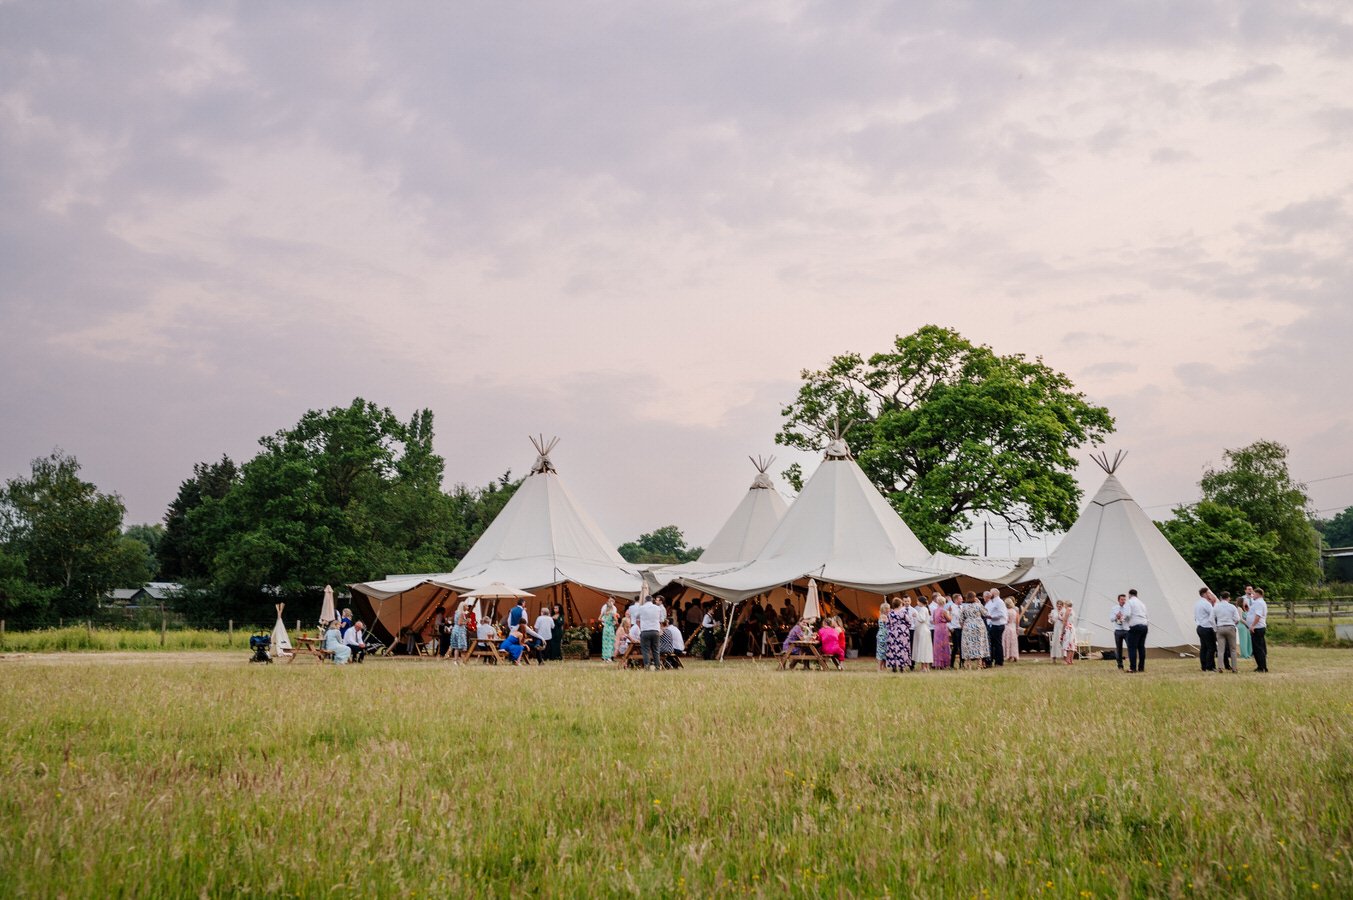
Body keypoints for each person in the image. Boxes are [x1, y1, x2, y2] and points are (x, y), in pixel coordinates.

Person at [1211, 591, 1241, 673]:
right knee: (1233, 649)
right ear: (1229, 598)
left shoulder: (1216, 607)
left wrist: (1215, 628)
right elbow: (1237, 619)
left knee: (1220, 649)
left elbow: (1211, 619)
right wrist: (1234, 623)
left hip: (1220, 627)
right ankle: (1234, 668)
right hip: (1230, 627)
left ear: (1220, 598)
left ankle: (1220, 667)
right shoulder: (1232, 607)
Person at [635, 595, 666, 671]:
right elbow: (662, 619)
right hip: (655, 630)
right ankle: (657, 667)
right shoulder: (658, 608)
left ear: (645, 600)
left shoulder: (641, 608)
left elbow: (637, 617)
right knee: (656, 650)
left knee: (645, 650)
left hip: (645, 630)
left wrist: (640, 627)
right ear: (652, 600)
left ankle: (647, 667)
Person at [958, 592, 988, 668]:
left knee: (968, 644)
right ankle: (979, 664)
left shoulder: (963, 607)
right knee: (979, 644)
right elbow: (985, 613)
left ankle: (969, 664)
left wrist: (963, 627)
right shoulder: (978, 605)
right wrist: (980, 603)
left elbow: (960, 619)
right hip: (979, 626)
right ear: (974, 597)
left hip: (968, 626)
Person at [1123, 589, 1149, 673]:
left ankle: (1133, 668)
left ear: (1129, 595)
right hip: (1144, 626)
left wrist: (1123, 620)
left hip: (1135, 626)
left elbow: (1127, 614)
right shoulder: (1142, 603)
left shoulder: (1130, 602)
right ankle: (1141, 667)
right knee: (1141, 647)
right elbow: (1146, 615)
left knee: (1132, 647)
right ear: (1136, 595)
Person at [884, 598, 912, 673]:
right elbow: (909, 622)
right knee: (902, 649)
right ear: (900, 604)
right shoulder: (903, 613)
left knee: (893, 648)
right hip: (902, 633)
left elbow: (886, 624)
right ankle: (902, 667)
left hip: (892, 633)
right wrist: (904, 627)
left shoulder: (890, 614)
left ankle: (893, 666)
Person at [1194, 588, 1217, 672]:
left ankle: (1203, 666)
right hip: (1207, 627)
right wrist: (1213, 603)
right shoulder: (1206, 604)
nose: (1210, 595)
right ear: (1205, 594)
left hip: (1199, 626)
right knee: (1211, 647)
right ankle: (1210, 666)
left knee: (1203, 647)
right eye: (1208, 593)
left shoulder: (1197, 603)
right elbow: (1213, 615)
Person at [984, 590, 1007, 667]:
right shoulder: (993, 602)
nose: (990, 594)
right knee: (993, 644)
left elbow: (1002, 614)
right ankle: (991, 661)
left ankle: (999, 662)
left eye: (990, 592)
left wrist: (991, 616)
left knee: (997, 644)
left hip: (998, 625)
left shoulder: (999, 602)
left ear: (994, 593)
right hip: (992, 624)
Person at [1248, 588, 1269, 672]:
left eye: (1254, 594)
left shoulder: (1259, 603)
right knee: (1258, 648)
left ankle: (1262, 667)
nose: (1253, 595)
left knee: (1258, 648)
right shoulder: (1258, 602)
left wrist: (1252, 625)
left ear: (1258, 594)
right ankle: (1260, 666)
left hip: (1257, 628)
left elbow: (1258, 615)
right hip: (1257, 627)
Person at [912, 598, 933, 672]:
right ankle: (925, 667)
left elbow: (922, 619)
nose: (917, 602)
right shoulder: (925, 609)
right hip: (924, 630)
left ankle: (924, 667)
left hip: (922, 631)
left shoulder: (923, 609)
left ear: (921, 602)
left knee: (923, 649)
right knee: (925, 649)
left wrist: (916, 615)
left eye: (918, 601)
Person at [932, 592, 952, 670]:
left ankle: (937, 663)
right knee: (944, 645)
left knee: (937, 646)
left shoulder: (935, 610)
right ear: (944, 602)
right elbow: (949, 619)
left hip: (937, 628)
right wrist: (950, 612)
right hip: (943, 628)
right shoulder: (944, 611)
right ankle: (944, 663)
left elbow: (933, 621)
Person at [1110, 594, 1130, 670]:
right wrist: (1116, 617)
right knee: (1119, 649)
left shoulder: (1128, 608)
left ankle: (1132, 664)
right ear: (1118, 600)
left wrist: (1124, 617)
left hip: (1126, 630)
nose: (1123, 601)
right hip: (1118, 630)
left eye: (1124, 600)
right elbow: (1111, 619)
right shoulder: (1114, 608)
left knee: (1130, 647)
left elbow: (1130, 618)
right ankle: (1120, 665)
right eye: (1122, 599)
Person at [600, 598, 619, 662]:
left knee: (605, 643)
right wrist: (613, 622)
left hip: (605, 628)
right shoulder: (613, 613)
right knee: (610, 643)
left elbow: (599, 619)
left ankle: (604, 657)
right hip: (610, 629)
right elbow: (617, 622)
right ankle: (609, 657)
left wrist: (605, 621)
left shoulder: (604, 613)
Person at [947, 593, 963, 669]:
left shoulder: (962, 607)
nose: (962, 600)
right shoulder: (951, 607)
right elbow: (947, 619)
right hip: (955, 629)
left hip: (962, 629)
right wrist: (950, 627)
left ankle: (962, 664)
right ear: (956, 600)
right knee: (956, 647)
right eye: (960, 598)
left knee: (962, 646)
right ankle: (951, 664)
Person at [1002, 597, 1019, 663]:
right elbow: (1017, 620)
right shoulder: (1015, 611)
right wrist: (1017, 628)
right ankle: (1014, 656)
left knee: (1007, 642)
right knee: (1014, 643)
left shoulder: (1006, 612)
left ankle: (1009, 656)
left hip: (1007, 627)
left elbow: (1006, 620)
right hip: (1013, 627)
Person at [875, 600, 890, 672]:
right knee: (881, 652)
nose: (889, 610)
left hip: (884, 635)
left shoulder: (882, 616)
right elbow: (889, 623)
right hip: (882, 636)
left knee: (883, 652)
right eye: (888, 609)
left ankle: (883, 667)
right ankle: (879, 668)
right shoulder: (884, 616)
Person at [1237, 595, 1253, 659]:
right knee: (1243, 640)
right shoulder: (1239, 608)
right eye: (1244, 601)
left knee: (1248, 639)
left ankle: (1248, 653)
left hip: (1246, 626)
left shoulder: (1244, 608)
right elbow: (1240, 619)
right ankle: (1244, 654)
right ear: (1241, 602)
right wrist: (1247, 624)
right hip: (1242, 625)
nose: (1245, 602)